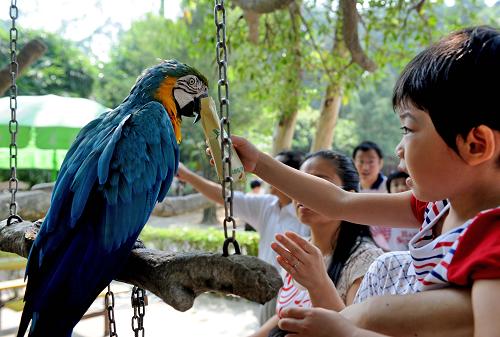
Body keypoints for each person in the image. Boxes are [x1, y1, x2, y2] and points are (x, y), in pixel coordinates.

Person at [223, 26, 499, 336]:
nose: (399, 148)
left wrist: (349, 332)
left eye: (408, 129)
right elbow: (340, 201)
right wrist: (259, 162)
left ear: (475, 145)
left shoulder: (493, 242)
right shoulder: (436, 209)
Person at [249, 151, 382, 337]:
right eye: (300, 184)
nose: (305, 193)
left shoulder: (366, 261)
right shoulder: (300, 249)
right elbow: (284, 315)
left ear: (349, 196)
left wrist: (318, 283)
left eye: (318, 183)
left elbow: (354, 331)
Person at [176, 150, 310, 325]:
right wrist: (186, 175)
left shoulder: (308, 216)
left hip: (297, 297)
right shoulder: (267, 205)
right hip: (269, 292)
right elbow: (225, 196)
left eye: (273, 171)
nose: (266, 177)